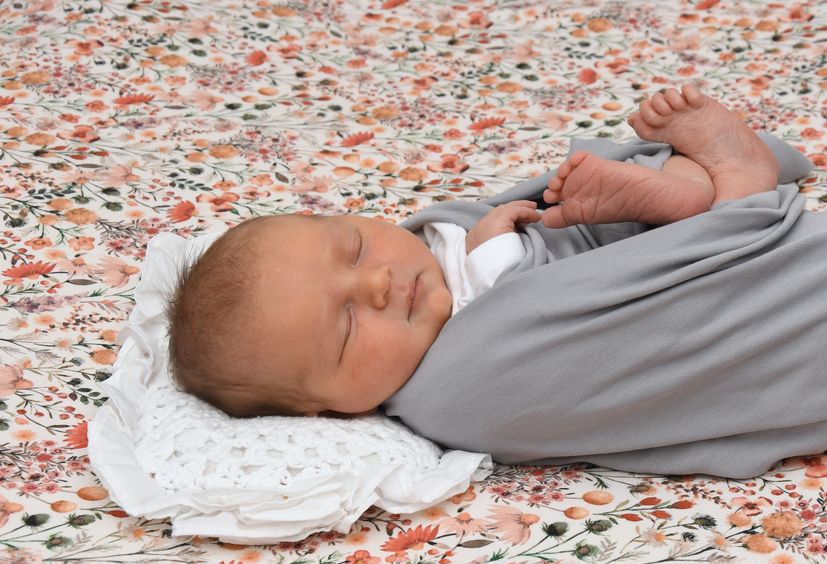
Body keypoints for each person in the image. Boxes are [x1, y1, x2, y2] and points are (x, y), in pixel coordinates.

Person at [165, 84, 783, 419]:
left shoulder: (436, 238)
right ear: (323, 411)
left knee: (638, 190)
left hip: (590, 233)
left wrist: (491, 227)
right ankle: (735, 191)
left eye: (354, 249)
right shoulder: (445, 390)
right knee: (687, 254)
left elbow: (523, 218)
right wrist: (495, 254)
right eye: (346, 327)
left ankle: (689, 189)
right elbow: (554, 357)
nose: (375, 284)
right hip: (631, 286)